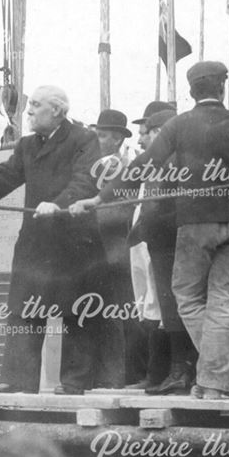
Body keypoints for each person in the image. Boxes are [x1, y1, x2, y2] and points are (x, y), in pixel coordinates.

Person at [74, 62, 229, 400]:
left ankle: (227, 373)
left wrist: (99, 196)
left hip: (196, 225)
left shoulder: (180, 125)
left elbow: (145, 165)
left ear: (191, 91)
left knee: (187, 297)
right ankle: (223, 376)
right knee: (223, 302)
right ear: (221, 88)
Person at [0, 86, 107, 394]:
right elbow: (6, 174)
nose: (29, 111)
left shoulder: (83, 139)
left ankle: (75, 383)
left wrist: (59, 204)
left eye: (35, 105)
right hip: (36, 239)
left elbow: (85, 180)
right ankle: (18, 379)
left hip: (73, 239)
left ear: (57, 112)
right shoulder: (27, 145)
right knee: (23, 307)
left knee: (75, 311)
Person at [129, 108, 201, 396]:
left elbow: (160, 205)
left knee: (174, 310)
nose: (144, 136)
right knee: (169, 310)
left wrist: (146, 227)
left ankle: (181, 372)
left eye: (148, 131)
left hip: (169, 241)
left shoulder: (169, 160)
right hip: (165, 241)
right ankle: (179, 371)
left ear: (161, 131)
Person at [89, 109, 136, 388]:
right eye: (97, 134)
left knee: (117, 314)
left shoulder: (120, 168)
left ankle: (117, 376)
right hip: (102, 249)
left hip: (115, 249)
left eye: (104, 135)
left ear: (117, 138)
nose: (98, 139)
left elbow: (121, 211)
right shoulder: (98, 166)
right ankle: (110, 374)